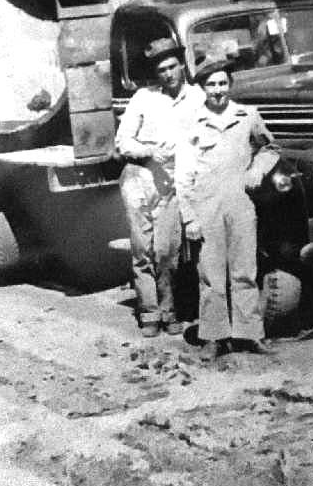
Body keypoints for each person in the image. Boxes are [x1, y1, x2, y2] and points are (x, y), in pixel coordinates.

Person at [175, 54, 280, 361]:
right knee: (210, 273)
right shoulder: (192, 121)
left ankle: (250, 334)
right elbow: (183, 175)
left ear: (230, 85)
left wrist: (258, 168)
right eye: (211, 84)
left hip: (241, 203)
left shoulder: (247, 115)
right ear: (202, 88)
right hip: (206, 205)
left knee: (245, 270)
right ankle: (214, 336)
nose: (218, 90)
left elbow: (271, 147)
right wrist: (189, 217)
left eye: (222, 83)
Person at [116, 37, 205, 337]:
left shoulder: (196, 98)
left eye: (172, 67)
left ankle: (170, 310)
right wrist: (150, 151)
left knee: (167, 251)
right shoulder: (144, 97)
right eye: (161, 70)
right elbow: (123, 142)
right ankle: (150, 312)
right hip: (139, 178)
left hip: (172, 183)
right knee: (142, 249)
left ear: (182, 66)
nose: (167, 74)